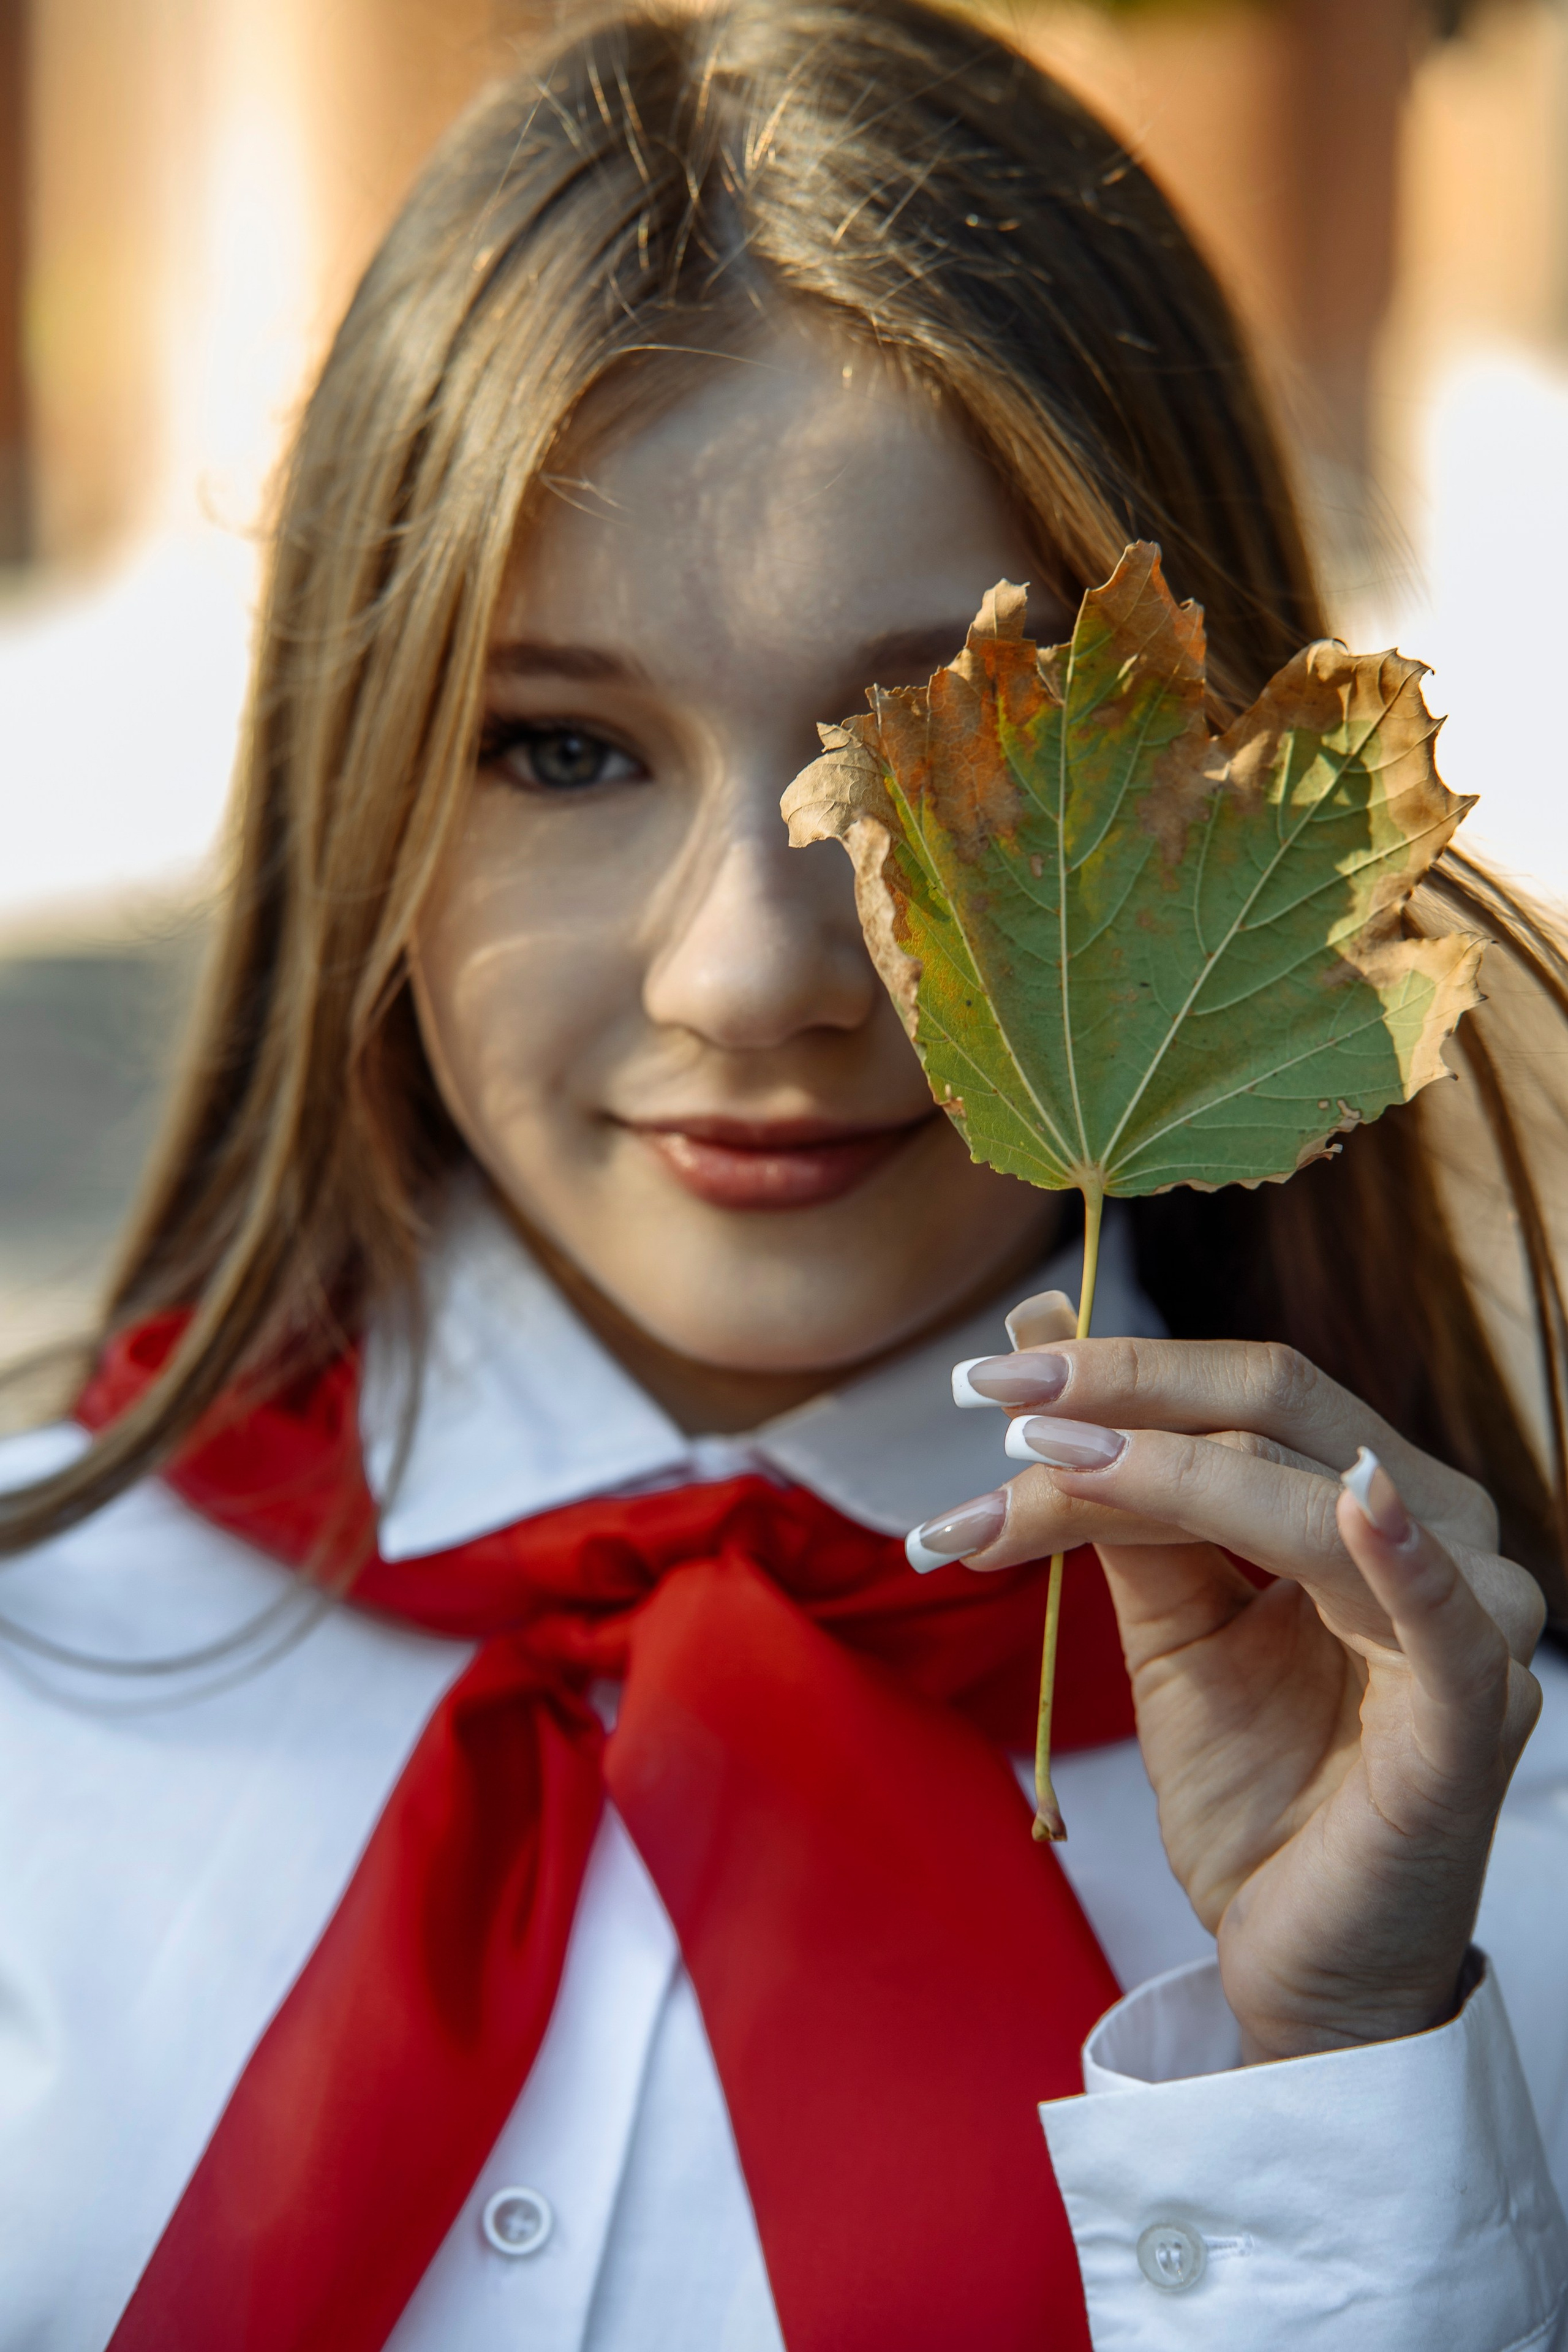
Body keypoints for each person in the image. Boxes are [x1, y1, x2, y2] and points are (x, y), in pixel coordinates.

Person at [3, 4, 1567, 2346]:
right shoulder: (37, 1705)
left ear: (1224, 818)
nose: (748, 971)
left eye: (950, 764)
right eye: (558, 746)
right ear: (355, 792)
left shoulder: (1490, 1878)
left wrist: (1344, 2091)